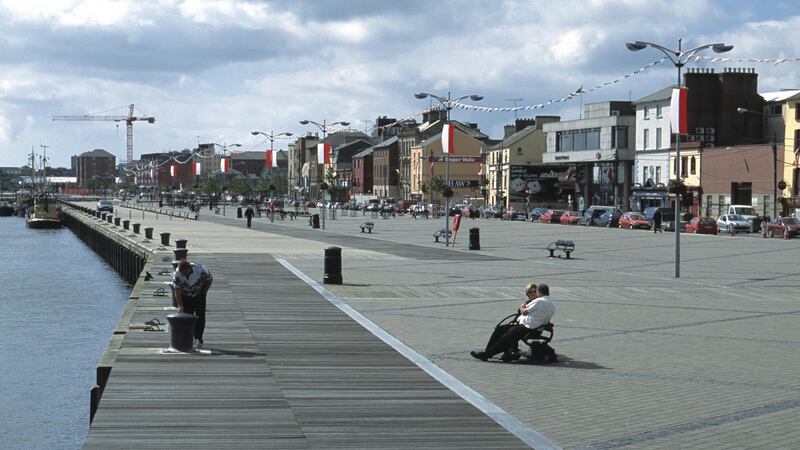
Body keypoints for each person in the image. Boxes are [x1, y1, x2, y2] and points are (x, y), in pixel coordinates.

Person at [471, 283, 555, 362]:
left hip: (528, 328)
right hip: (532, 327)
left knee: (506, 338)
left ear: (539, 291)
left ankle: (487, 354)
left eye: (536, 291)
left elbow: (524, 311)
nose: (535, 293)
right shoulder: (551, 303)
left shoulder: (539, 301)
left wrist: (522, 306)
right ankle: (488, 352)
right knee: (500, 329)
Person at [172, 259, 213, 348]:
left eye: (186, 273)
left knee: (200, 317)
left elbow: (210, 279)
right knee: (187, 318)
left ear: (189, 269)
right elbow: (177, 290)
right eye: (183, 273)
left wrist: (205, 291)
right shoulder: (177, 274)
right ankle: (190, 338)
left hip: (199, 294)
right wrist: (180, 305)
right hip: (186, 296)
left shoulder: (200, 270)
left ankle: (199, 339)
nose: (185, 275)